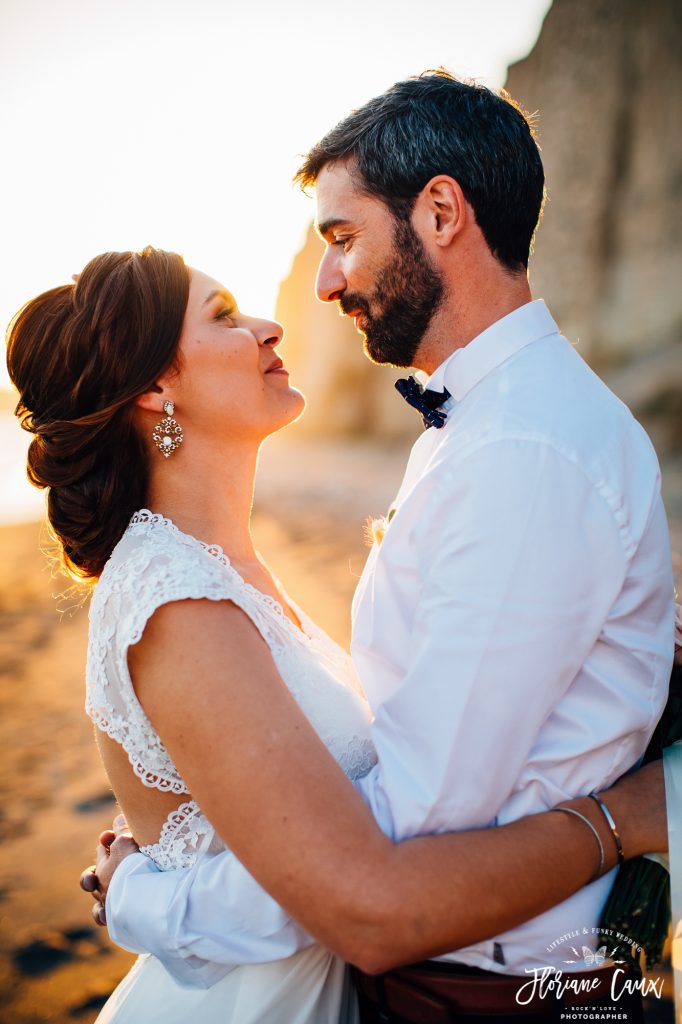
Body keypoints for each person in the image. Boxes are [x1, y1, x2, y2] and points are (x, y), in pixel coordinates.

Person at [79, 71, 676, 1022]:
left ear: (440, 212)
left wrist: (148, 896)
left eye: (344, 238)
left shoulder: (523, 449)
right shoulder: (486, 427)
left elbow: (380, 861)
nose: (321, 285)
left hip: (498, 993)